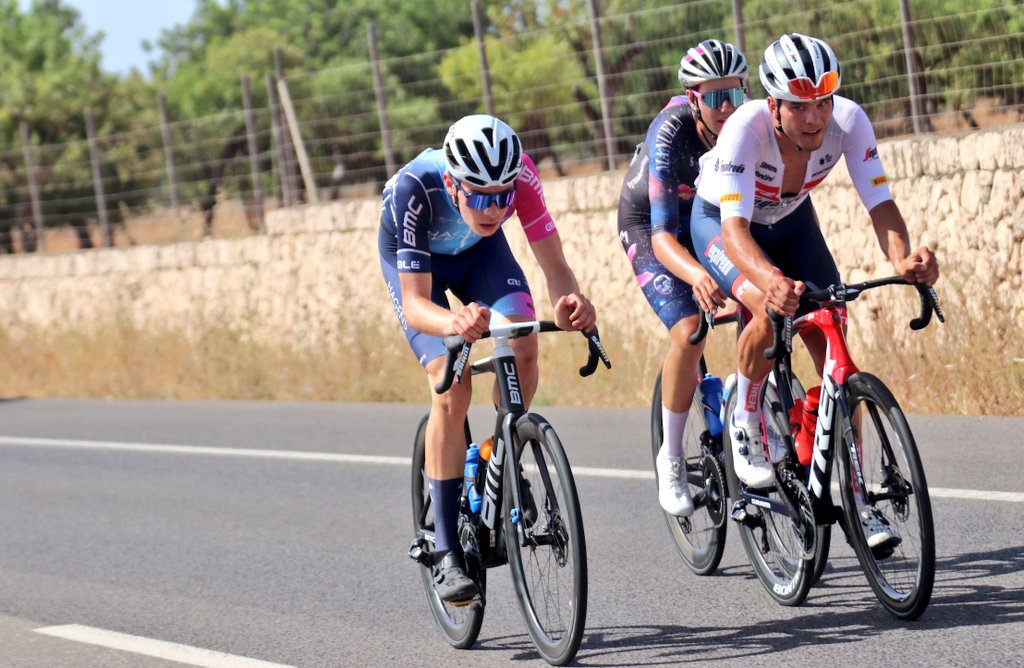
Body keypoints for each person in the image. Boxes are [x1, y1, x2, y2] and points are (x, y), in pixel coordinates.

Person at [690, 33, 939, 550]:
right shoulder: (743, 130)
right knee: (765, 306)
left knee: (834, 348)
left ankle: (857, 496)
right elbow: (734, 234)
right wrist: (769, 280)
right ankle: (745, 418)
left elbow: (880, 203)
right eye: (801, 106)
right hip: (723, 223)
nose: (815, 118)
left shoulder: (849, 121)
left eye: (823, 103)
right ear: (774, 105)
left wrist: (903, 260)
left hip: (790, 219)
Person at [378, 114, 597, 603]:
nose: (494, 207)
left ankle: (500, 450)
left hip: (480, 255)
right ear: (453, 182)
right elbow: (416, 306)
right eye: (479, 196)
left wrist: (571, 303)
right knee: (451, 384)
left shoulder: (519, 178)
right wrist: (453, 323)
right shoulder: (415, 188)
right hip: (418, 265)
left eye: (503, 196)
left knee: (523, 341)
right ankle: (448, 552)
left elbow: (555, 265)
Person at [617, 39, 747, 517]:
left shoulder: (749, 122)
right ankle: (671, 458)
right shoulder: (669, 133)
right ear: (694, 99)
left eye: (735, 93)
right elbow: (663, 236)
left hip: (710, 218)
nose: (728, 107)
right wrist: (695, 274)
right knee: (690, 331)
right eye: (714, 97)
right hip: (654, 227)